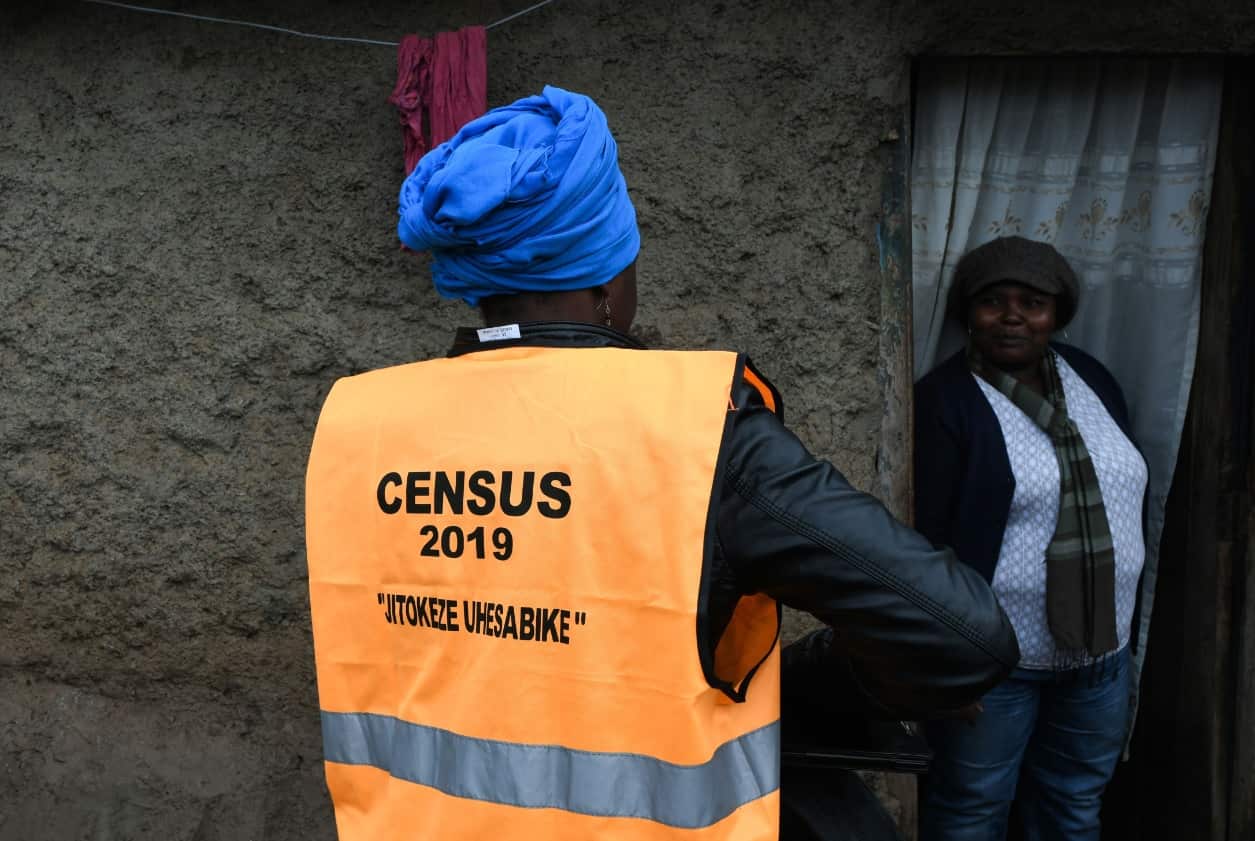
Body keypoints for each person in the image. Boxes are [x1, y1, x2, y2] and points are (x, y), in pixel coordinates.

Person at [304, 86, 1020, 841]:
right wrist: (799, 681)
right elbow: (961, 636)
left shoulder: (361, 421)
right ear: (608, 279)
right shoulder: (696, 428)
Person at [913, 236, 1149, 841]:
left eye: (1032, 302)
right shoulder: (946, 402)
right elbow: (927, 543)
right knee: (972, 810)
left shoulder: (1092, 380)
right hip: (996, 666)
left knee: (1072, 809)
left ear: (1057, 315)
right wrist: (949, 666)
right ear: (969, 312)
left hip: (1100, 658)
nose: (1013, 315)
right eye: (994, 301)